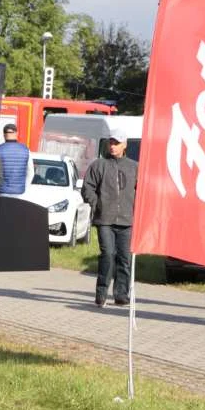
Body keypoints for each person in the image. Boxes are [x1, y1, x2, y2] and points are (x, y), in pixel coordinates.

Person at [82, 127, 138, 307]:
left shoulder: (134, 167)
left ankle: (121, 294)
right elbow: (87, 187)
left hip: (127, 221)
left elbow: (143, 190)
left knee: (124, 258)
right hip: (105, 219)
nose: (112, 146)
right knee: (107, 255)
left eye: (116, 143)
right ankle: (101, 293)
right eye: (110, 143)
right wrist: (96, 203)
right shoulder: (98, 165)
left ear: (125, 145)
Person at [0, 123, 34, 196]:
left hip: (2, 191)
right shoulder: (26, 150)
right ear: (17, 133)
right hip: (19, 192)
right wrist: (25, 187)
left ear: (4, 135)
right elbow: (30, 172)